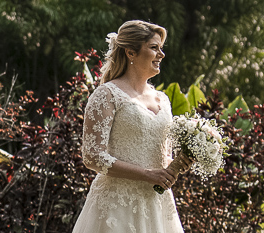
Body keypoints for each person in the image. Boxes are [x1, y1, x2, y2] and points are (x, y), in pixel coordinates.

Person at [72, 20, 192, 233]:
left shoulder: (163, 100)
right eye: (154, 48)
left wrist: (179, 163)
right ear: (131, 53)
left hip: (156, 205)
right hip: (116, 207)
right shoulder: (107, 95)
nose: (161, 54)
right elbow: (93, 156)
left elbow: (163, 156)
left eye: (161, 48)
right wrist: (147, 174)